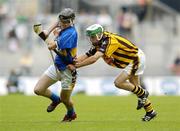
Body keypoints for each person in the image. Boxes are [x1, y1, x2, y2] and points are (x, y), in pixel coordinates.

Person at [72, 24, 157, 121]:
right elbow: (87, 55)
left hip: (135, 58)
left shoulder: (109, 41)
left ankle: (144, 93)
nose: (91, 40)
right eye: (90, 37)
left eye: (92, 37)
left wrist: (76, 66)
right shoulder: (100, 41)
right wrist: (71, 62)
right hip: (131, 60)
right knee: (135, 87)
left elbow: (94, 58)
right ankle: (150, 111)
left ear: (99, 35)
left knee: (118, 83)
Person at [34, 8, 78, 122]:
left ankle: (71, 113)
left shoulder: (71, 33)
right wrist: (47, 32)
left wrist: (46, 38)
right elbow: (57, 23)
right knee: (38, 89)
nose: (62, 24)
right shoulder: (62, 24)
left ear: (72, 21)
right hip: (57, 66)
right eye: (61, 21)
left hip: (68, 70)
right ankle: (55, 100)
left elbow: (53, 46)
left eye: (65, 22)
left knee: (65, 99)